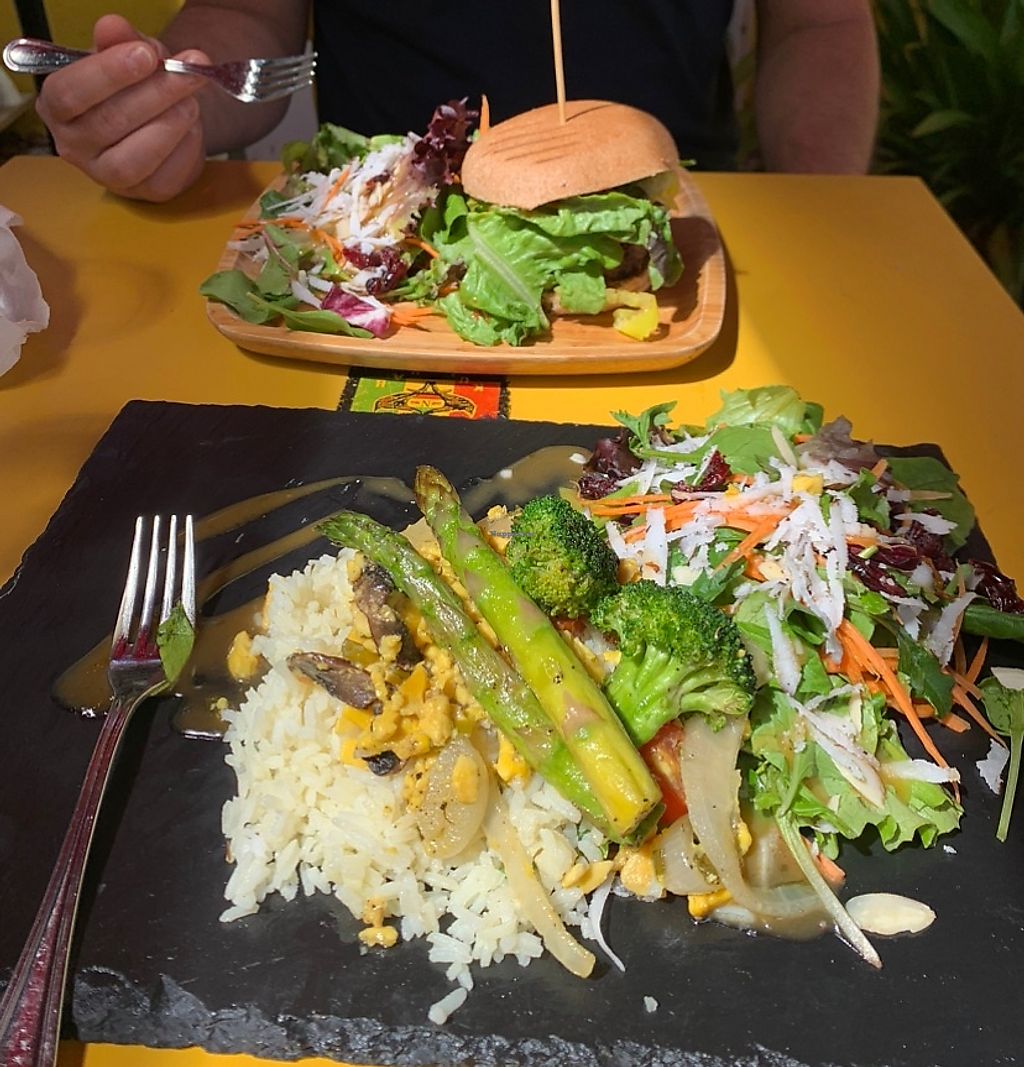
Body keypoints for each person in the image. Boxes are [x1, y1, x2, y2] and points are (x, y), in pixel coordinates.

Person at [35, 0, 879, 203]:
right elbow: (249, 14)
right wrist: (169, 102)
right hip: (377, 235)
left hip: (674, 217)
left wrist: (824, 203)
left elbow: (820, 21)